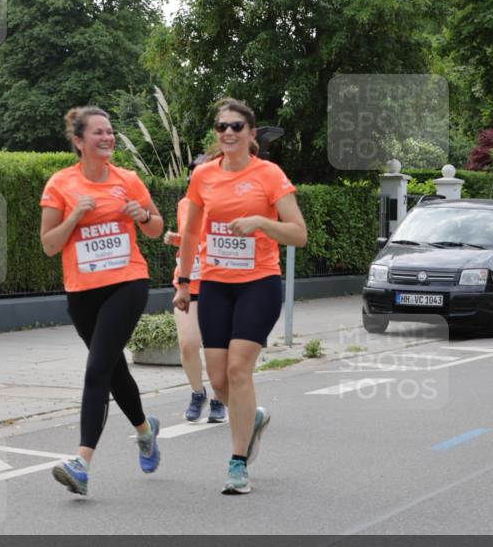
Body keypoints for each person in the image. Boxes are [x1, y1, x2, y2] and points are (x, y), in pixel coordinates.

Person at [173, 99, 307, 495]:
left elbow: (298, 233)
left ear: (252, 135)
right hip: (213, 284)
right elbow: (192, 234)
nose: (228, 133)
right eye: (221, 127)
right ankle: (254, 417)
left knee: (237, 370)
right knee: (217, 379)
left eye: (236, 126)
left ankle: (237, 463)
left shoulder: (270, 175)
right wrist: (183, 283)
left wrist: (263, 222)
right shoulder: (203, 176)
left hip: (259, 283)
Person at [40, 106, 164, 497]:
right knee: (112, 370)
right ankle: (145, 431)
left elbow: (156, 229)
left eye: (110, 132)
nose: (108, 138)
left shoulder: (127, 180)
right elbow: (49, 245)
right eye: (99, 133)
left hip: (127, 282)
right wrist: (74, 215)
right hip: (81, 292)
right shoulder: (60, 184)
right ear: (79, 142)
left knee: (96, 369)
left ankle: (81, 464)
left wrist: (142, 213)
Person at [164, 156, 226, 424]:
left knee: (218, 349)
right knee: (188, 344)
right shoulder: (184, 205)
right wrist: (176, 239)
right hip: (187, 283)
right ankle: (197, 393)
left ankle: (218, 399)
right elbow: (190, 239)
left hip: (218, 284)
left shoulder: (225, 205)